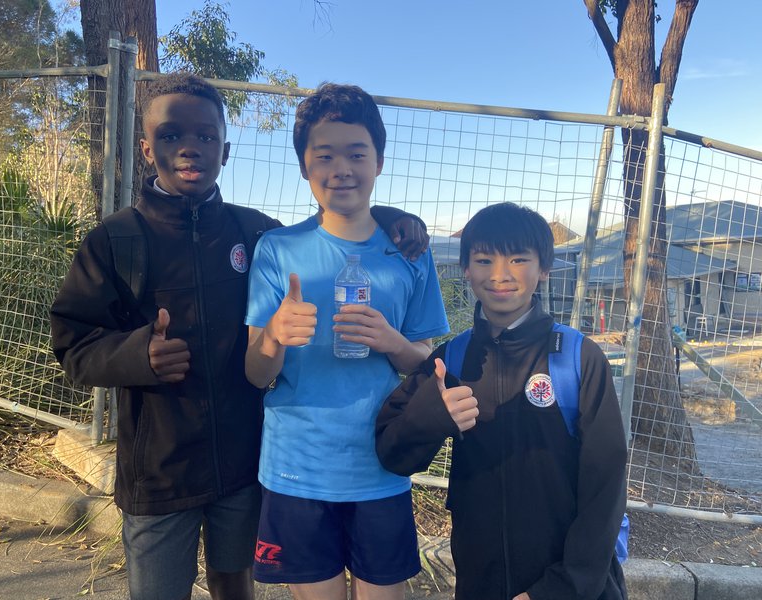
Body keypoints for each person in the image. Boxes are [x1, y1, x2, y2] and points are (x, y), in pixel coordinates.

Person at [50, 73, 428, 600]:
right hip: (160, 468)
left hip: (242, 465)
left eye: (206, 136)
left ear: (225, 152)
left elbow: (332, 225)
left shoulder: (253, 232)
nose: (189, 148)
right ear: (146, 148)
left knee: (234, 584)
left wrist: (394, 219)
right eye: (171, 135)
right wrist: (139, 354)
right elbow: (74, 345)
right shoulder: (116, 240)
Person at [244, 83, 450, 600]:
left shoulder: (409, 251)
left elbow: (426, 363)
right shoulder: (277, 249)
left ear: (379, 160)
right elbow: (256, 373)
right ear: (304, 166)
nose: (342, 169)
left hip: (380, 463)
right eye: (325, 155)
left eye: (357, 154)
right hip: (297, 466)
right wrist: (274, 337)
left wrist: (391, 341)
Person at [375, 202, 629, 600]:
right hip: (481, 580)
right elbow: (393, 455)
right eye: (483, 260)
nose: (500, 275)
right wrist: (432, 415)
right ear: (465, 269)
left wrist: (557, 589)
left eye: (518, 259)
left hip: (568, 588)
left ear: (544, 269)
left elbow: (606, 488)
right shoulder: (451, 360)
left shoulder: (578, 358)